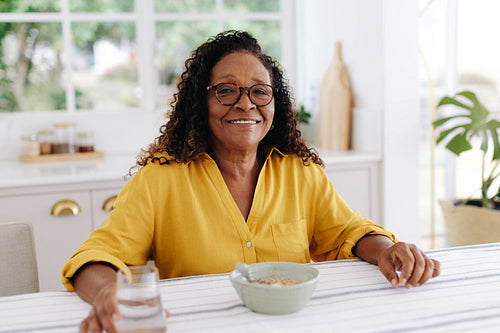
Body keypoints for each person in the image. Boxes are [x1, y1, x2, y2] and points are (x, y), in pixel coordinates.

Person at [62, 30, 440, 333]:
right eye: (226, 90)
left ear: (276, 104)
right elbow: (96, 257)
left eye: (260, 91)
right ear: (200, 102)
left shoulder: (299, 172)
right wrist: (108, 294)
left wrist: (387, 250)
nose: (246, 104)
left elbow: (347, 232)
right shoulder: (161, 178)